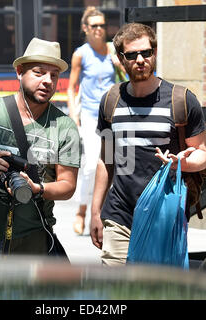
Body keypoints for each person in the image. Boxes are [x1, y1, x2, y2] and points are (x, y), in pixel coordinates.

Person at [90, 23, 206, 266]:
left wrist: (181, 163)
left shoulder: (181, 100)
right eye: (132, 55)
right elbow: (106, 159)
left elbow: (203, 154)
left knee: (157, 291)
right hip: (119, 215)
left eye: (147, 52)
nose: (141, 59)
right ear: (121, 59)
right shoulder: (111, 101)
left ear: (155, 52)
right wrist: (95, 212)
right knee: (116, 293)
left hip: (165, 216)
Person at [0, 37, 81, 256]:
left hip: (34, 241)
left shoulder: (64, 126)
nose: (48, 81)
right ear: (20, 71)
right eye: (39, 72)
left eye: (54, 75)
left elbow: (67, 186)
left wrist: (37, 189)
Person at [67, 6, 125, 236]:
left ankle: (99, 212)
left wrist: (119, 63)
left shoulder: (114, 50)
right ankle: (82, 211)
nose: (100, 29)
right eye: (94, 26)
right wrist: (74, 116)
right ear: (85, 29)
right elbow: (72, 87)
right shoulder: (81, 54)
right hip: (91, 116)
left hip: (114, 115)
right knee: (91, 166)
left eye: (102, 25)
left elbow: (134, 78)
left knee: (114, 166)